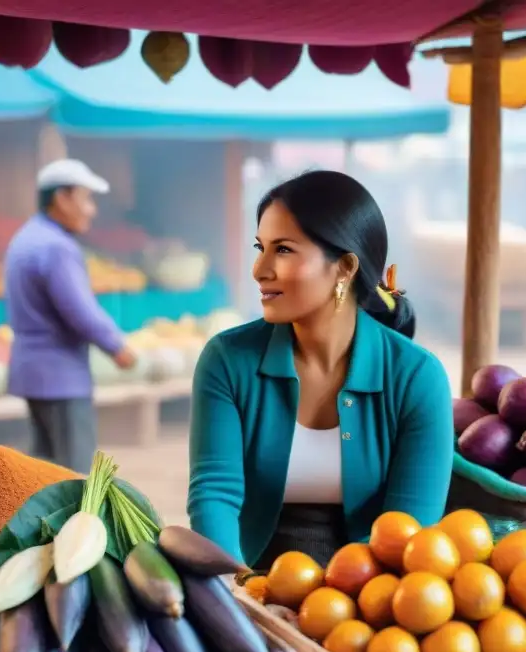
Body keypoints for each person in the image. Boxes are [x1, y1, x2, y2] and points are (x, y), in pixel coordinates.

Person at [187, 170, 453, 568]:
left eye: (284, 250)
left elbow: (409, 527)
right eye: (260, 247)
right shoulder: (227, 360)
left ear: (345, 267)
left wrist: (336, 603)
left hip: (373, 590)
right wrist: (235, 594)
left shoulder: (417, 378)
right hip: (245, 580)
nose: (259, 269)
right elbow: (215, 494)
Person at [4, 159, 136, 474]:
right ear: (62, 198)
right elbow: (80, 310)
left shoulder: (26, 237)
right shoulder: (57, 247)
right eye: (86, 199)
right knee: (73, 477)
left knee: (43, 472)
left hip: (33, 373)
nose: (91, 210)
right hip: (61, 378)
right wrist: (118, 346)